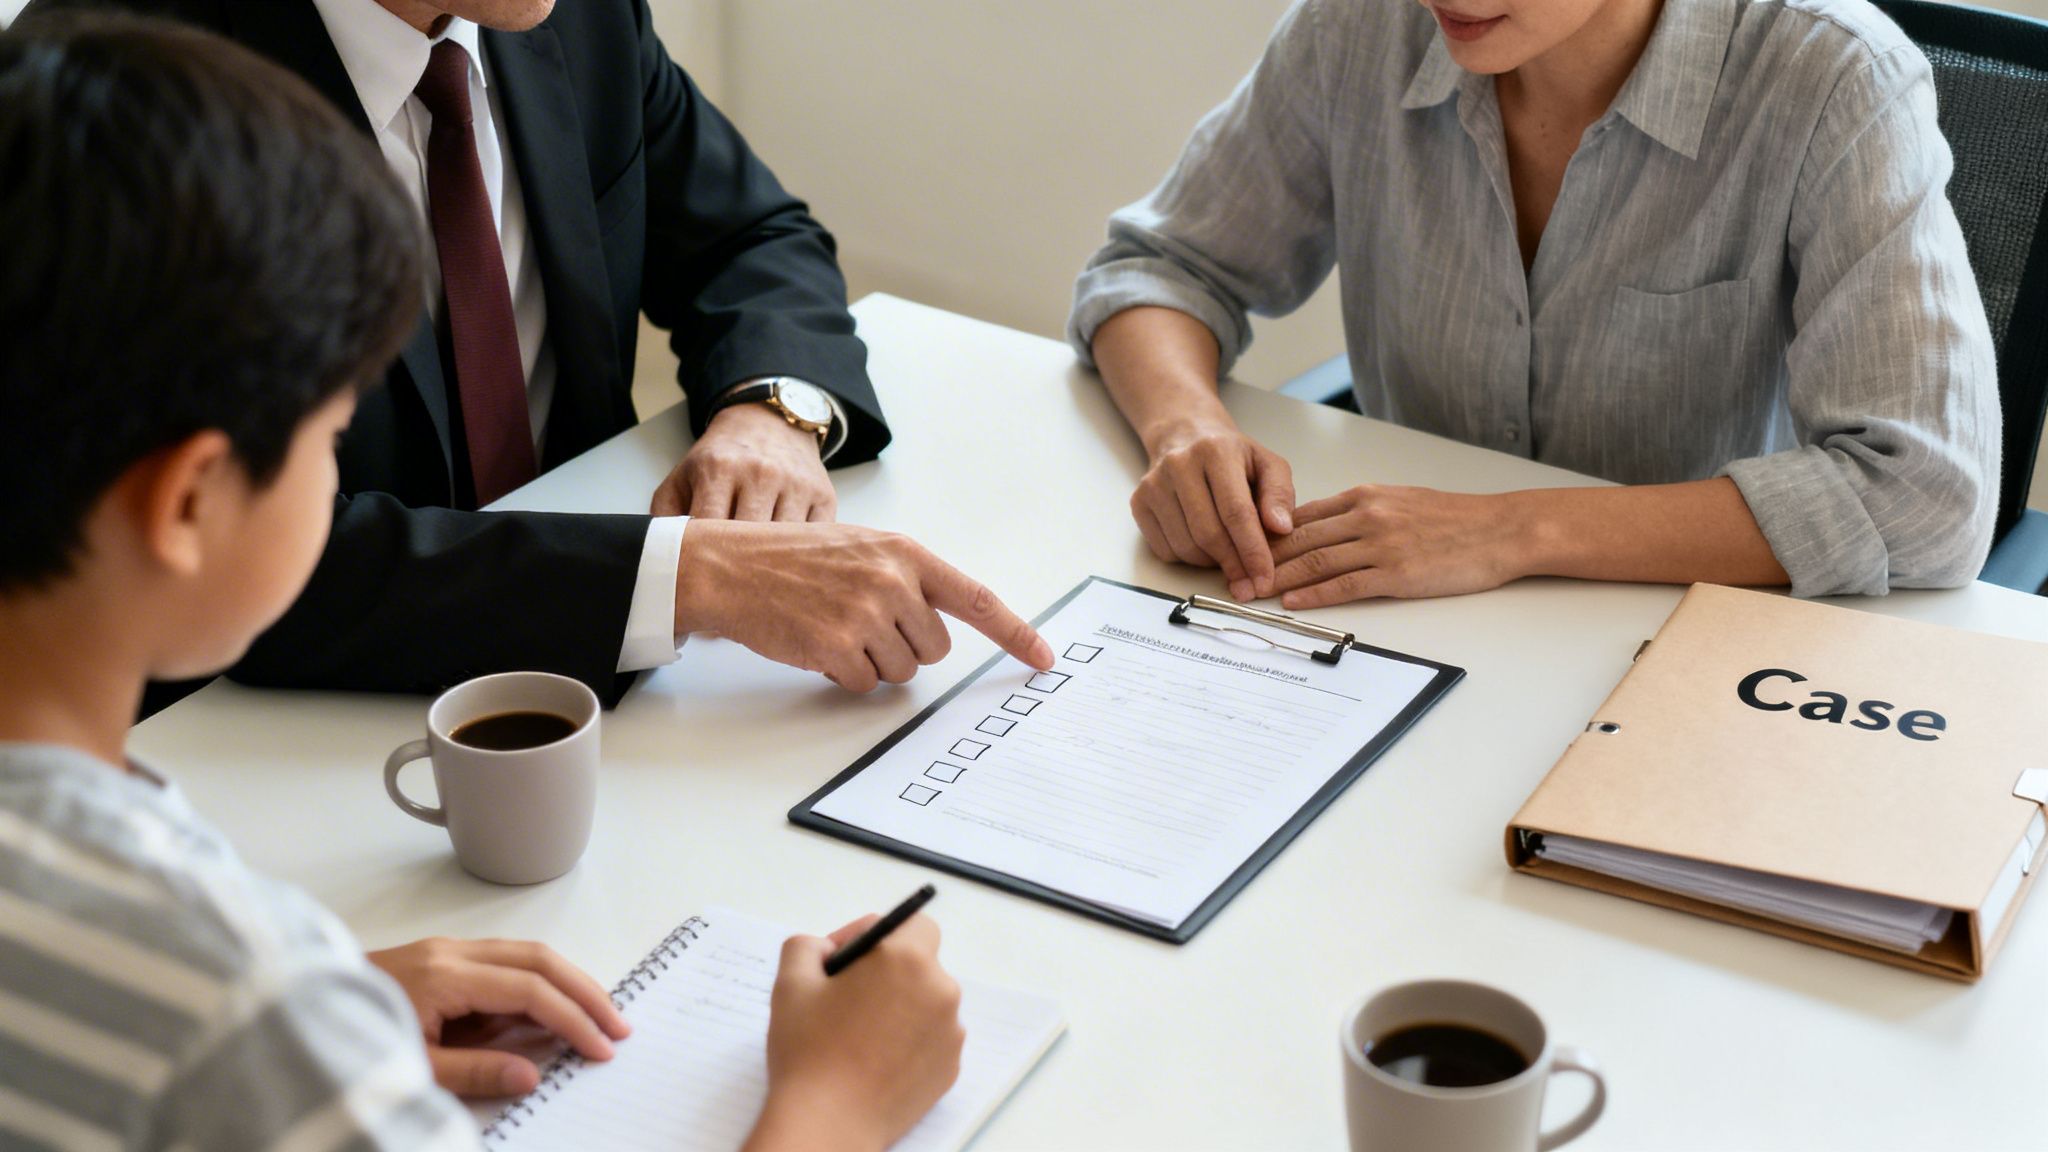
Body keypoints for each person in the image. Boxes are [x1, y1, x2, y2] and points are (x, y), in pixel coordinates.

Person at [0, 14, 963, 1149]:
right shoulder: (236, 1007)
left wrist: (325, 1001)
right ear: (190, 501)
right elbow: (203, 1019)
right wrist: (835, 1102)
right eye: (330, 429)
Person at [21, 0, 1054, 706]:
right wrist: (689, 578)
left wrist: (771, 412)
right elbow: (233, 550)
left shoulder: (562, 15)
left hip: (617, 707)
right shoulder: (125, 107)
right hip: (275, 734)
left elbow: (750, 234)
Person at [1069, 0, 2000, 610]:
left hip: (1688, 632)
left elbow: (1926, 491)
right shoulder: (1361, 22)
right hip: (1410, 623)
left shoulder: (1833, 76)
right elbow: (1159, 267)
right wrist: (1186, 429)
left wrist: (1509, 529)